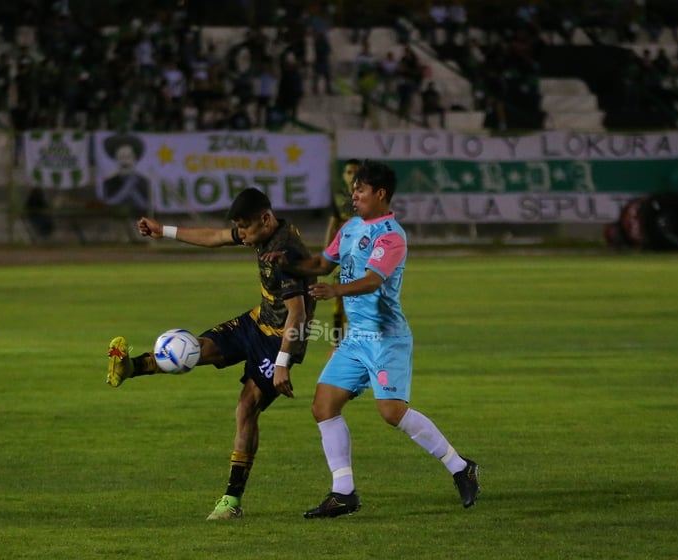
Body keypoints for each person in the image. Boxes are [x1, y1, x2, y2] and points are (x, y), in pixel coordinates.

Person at [265, 160, 479, 517]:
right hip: (355, 339)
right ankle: (343, 492)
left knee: (391, 412)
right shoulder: (350, 227)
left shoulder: (391, 236)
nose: (354, 196)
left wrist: (335, 290)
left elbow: (372, 280)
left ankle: (461, 467)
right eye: (353, 190)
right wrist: (287, 263)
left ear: (380, 194)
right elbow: (321, 264)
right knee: (323, 406)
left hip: (385, 338)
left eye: (360, 190)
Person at [105, 188, 316, 521]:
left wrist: (282, 364)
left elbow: (298, 314)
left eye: (245, 227)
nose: (241, 234)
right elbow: (216, 236)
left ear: (264, 219)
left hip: (279, 342)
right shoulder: (262, 231)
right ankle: (131, 367)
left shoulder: (284, 253)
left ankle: (231, 501)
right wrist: (165, 231)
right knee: (196, 348)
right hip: (257, 321)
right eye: (240, 228)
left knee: (246, 408)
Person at [323, 158, 361, 348]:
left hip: (364, 259)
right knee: (338, 301)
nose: (352, 175)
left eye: (356, 172)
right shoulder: (339, 198)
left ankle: (361, 342)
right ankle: (338, 345)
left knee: (361, 301)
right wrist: (327, 255)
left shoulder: (367, 198)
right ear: (344, 175)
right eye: (349, 172)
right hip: (345, 258)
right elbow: (333, 225)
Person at [100, 133, 150, 210]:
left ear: (135, 158)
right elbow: (110, 202)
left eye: (128, 157)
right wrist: (128, 186)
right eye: (121, 157)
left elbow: (145, 205)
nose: (124, 161)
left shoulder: (143, 181)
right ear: (116, 159)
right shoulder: (110, 181)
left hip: (140, 219)